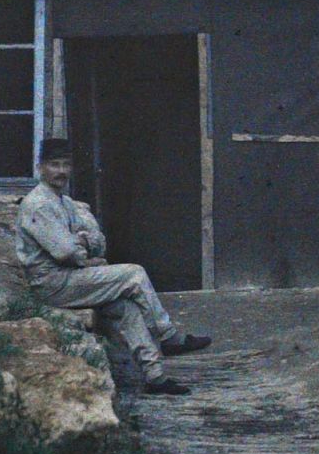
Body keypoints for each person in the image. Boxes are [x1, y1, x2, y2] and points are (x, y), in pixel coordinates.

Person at [17, 138, 211, 397]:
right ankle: (169, 337)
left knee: (127, 307)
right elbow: (65, 252)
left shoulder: (63, 201)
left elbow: (97, 243)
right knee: (134, 274)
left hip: (69, 277)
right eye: (54, 165)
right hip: (52, 283)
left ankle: (155, 376)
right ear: (40, 167)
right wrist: (82, 245)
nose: (61, 171)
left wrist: (83, 244)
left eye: (66, 165)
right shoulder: (39, 203)